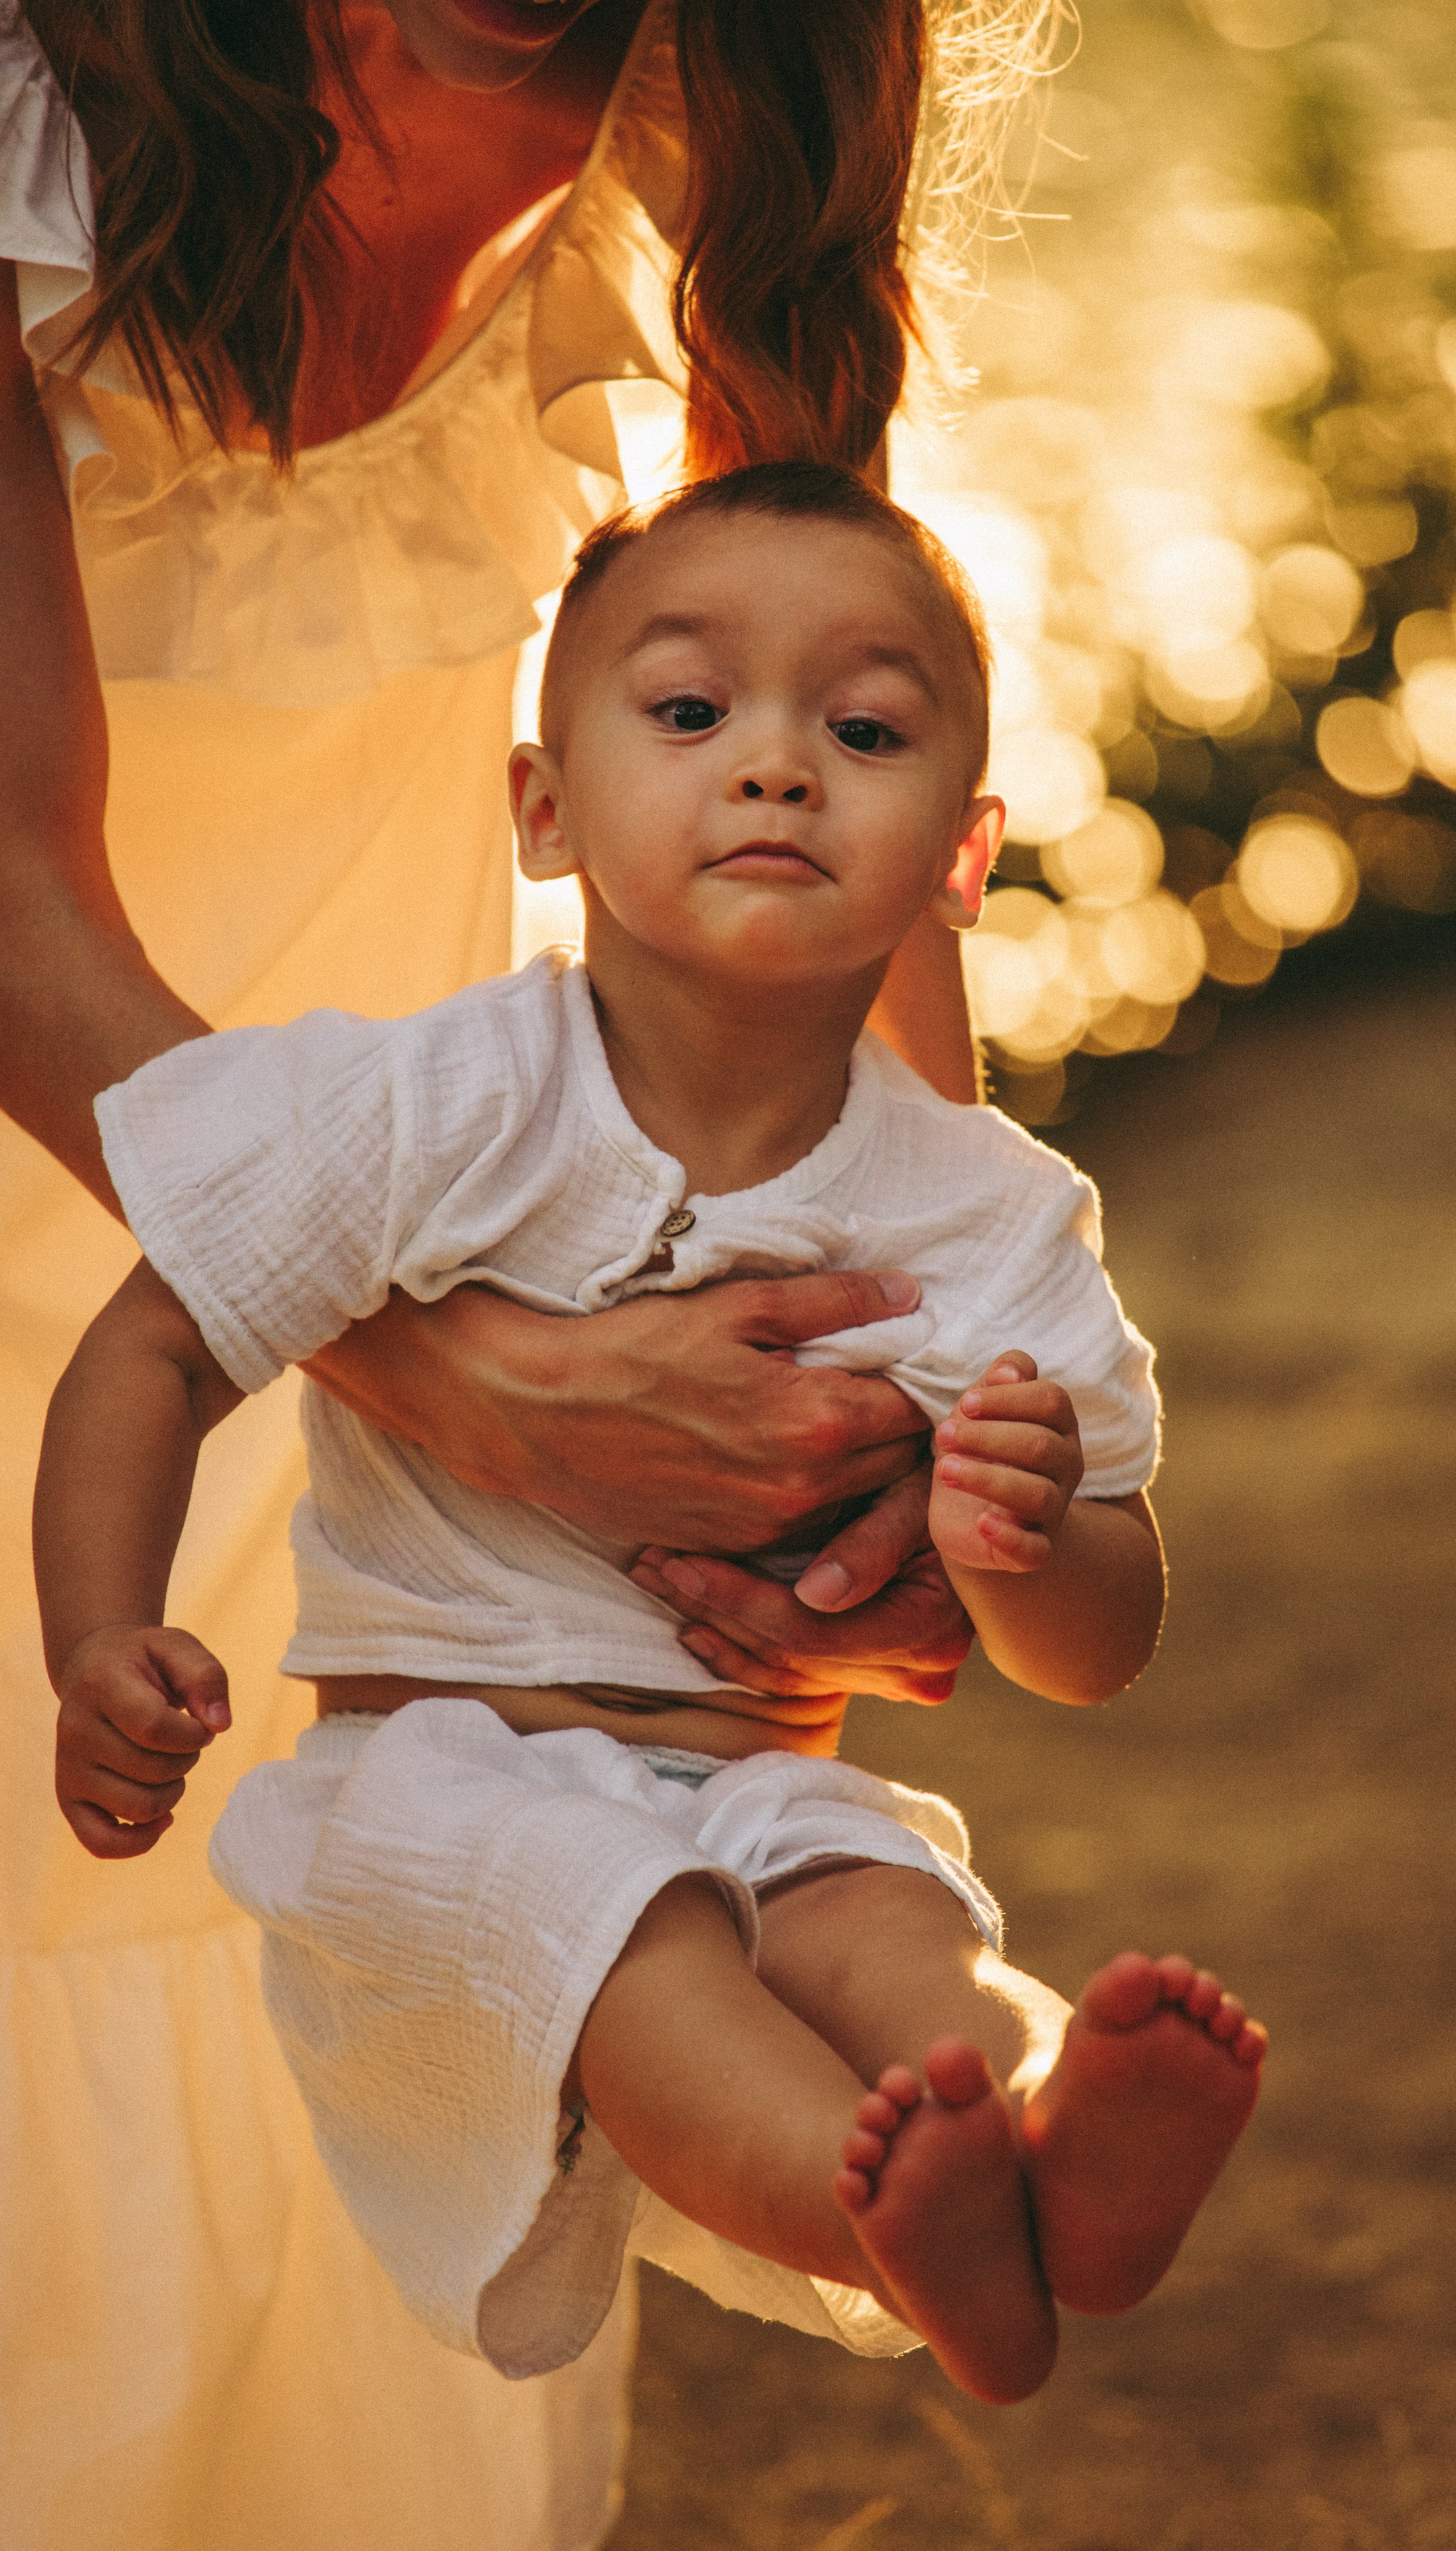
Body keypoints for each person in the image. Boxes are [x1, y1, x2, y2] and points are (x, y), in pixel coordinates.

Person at [0, 4, 1062, 2544]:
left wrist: (899, 1390)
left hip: (390, 1101)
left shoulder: (747, 68)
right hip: (164, 1155)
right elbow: (13, 895)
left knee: (385, 1858)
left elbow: (848, 742)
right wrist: (482, 1386)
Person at [37, 462, 1268, 2421]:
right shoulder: (433, 1101)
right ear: (544, 808)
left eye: (861, 731)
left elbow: (1096, 1644)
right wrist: (97, 1639)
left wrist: (1028, 1542)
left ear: (963, 852)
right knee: (642, 1949)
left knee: (901, 1942)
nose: (776, 767)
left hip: (764, 1783)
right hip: (440, 1783)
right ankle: (908, 2219)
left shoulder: (986, 1210)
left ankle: (1051, 2145)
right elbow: (156, 1349)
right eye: (690, 713)